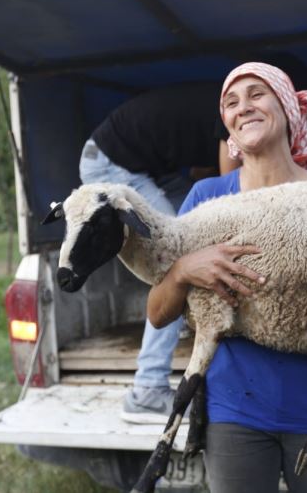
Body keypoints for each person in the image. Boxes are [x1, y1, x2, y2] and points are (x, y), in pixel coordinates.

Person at [146, 62, 307, 493]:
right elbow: (157, 314)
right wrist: (181, 271)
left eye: (256, 95)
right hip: (235, 417)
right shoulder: (206, 199)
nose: (243, 107)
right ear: (228, 127)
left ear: (288, 109)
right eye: (231, 102)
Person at [78, 82, 239, 424]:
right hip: (110, 164)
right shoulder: (230, 115)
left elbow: (201, 177)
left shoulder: (222, 106)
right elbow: (232, 193)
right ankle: (148, 388)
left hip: (150, 168)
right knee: (174, 261)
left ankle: (181, 316)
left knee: (195, 227)